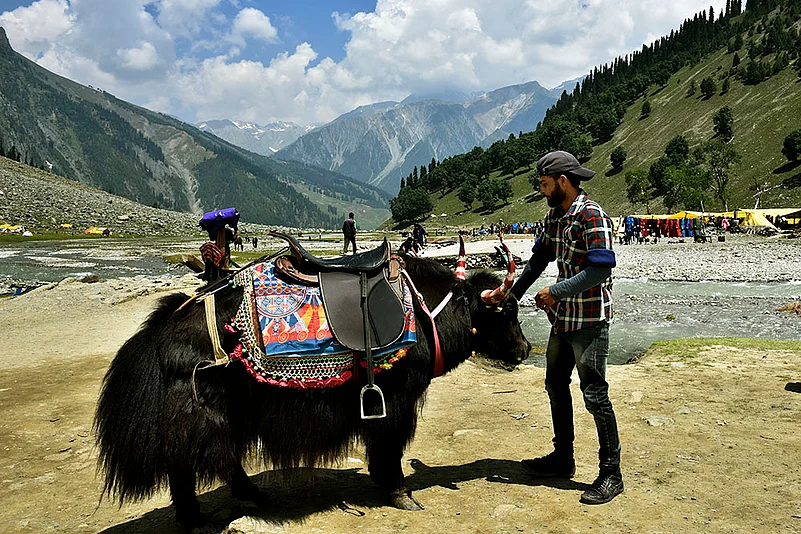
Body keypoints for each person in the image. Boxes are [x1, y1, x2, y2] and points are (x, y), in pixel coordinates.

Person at [511, 150, 623, 505]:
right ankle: (563, 458)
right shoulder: (554, 217)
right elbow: (538, 260)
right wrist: (511, 296)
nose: (542, 191)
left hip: (590, 319)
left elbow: (600, 271)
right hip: (563, 320)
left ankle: (611, 473)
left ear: (563, 181)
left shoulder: (593, 216)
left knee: (595, 395)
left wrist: (554, 291)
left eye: (545, 185)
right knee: (555, 385)